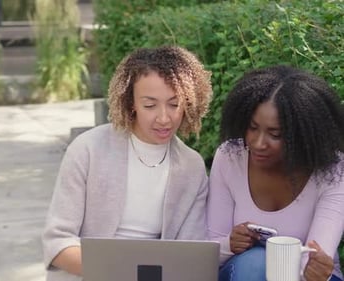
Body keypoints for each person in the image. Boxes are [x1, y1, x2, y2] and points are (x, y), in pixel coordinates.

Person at [42, 46, 213, 281]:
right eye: (150, 105)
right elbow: (58, 243)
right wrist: (118, 273)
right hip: (90, 274)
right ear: (130, 102)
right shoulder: (88, 149)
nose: (164, 118)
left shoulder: (191, 167)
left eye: (174, 104)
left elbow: (190, 252)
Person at [207, 65, 344, 281]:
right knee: (254, 263)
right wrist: (230, 244)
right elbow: (209, 251)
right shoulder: (230, 156)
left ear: (302, 136)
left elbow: (315, 256)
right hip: (244, 273)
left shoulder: (332, 169)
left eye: (275, 134)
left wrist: (318, 271)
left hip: (310, 279)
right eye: (252, 128)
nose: (258, 143)